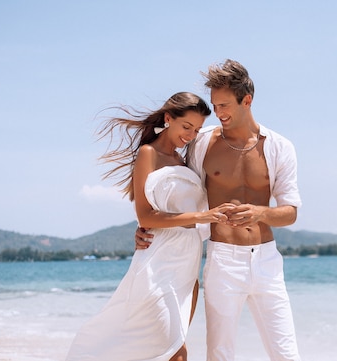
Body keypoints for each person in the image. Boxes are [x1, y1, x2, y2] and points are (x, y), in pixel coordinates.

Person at [136, 60, 302, 361]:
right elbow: (175, 189)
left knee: (286, 354)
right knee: (220, 354)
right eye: (215, 105)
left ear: (246, 101)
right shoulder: (203, 143)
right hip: (223, 261)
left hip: (267, 262)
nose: (219, 113)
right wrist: (149, 225)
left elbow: (290, 212)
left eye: (225, 105)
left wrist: (260, 213)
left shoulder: (279, 147)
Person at [66, 92, 236, 361]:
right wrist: (200, 217)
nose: (191, 135)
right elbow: (146, 217)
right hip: (159, 261)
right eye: (186, 127)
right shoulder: (148, 154)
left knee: (173, 347)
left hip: (189, 263)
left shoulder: (185, 160)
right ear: (168, 119)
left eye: (197, 129)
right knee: (173, 350)